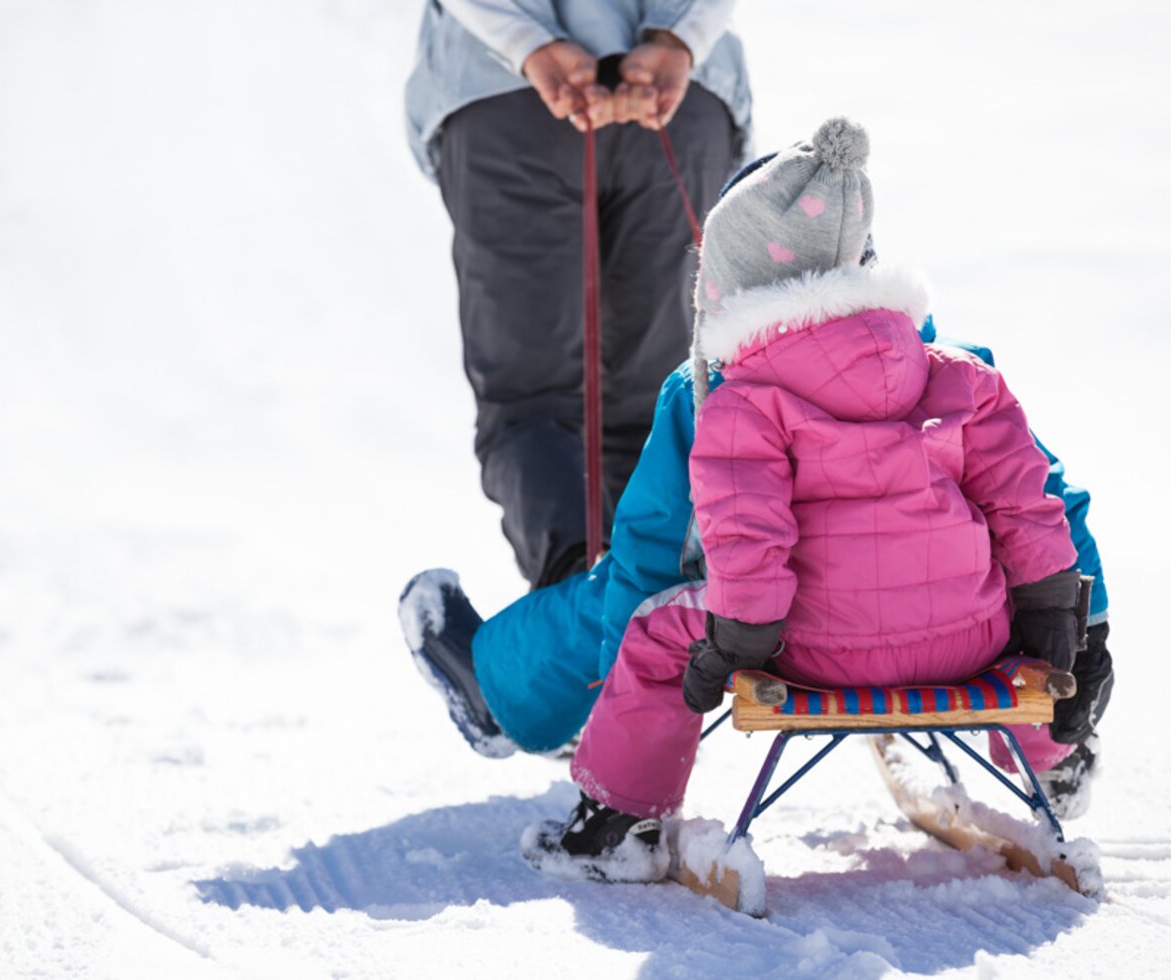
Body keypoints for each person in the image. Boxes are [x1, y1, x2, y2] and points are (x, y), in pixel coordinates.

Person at [400, 141, 1113, 822]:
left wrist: (624, 687)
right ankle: (1053, 753)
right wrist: (1092, 634)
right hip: (964, 636)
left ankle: (500, 693)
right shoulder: (950, 365)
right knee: (1018, 571)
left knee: (632, 604)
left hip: (789, 640)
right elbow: (1044, 499)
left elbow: (650, 550)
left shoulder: (709, 391)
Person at [405, 1, 750, 587]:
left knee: (531, 403)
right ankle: (665, 619)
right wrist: (677, 37)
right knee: (659, 401)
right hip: (681, 96)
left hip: (503, 97)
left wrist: (528, 42)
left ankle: (579, 610)